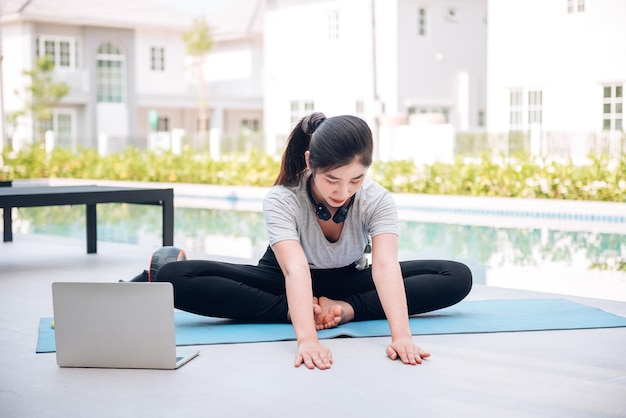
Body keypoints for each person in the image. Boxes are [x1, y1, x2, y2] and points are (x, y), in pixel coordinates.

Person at [133, 112, 472, 370]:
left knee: (456, 276)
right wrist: (308, 337)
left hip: (347, 279)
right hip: (282, 279)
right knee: (176, 278)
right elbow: (295, 270)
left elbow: (384, 267)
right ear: (311, 163)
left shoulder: (377, 199)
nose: (343, 192)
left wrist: (402, 338)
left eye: (356, 180)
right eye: (332, 180)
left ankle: (343, 310)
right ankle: (305, 311)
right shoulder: (282, 198)